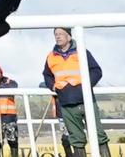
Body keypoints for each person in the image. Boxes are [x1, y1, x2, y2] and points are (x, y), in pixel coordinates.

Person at [43, 27, 109, 157]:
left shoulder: (82, 52)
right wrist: (53, 87)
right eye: (56, 34)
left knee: (98, 135)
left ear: (69, 36)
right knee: (76, 139)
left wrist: (85, 86)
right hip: (66, 102)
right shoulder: (51, 56)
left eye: (61, 34)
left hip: (86, 100)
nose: (58, 36)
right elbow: (47, 75)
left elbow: (96, 71)